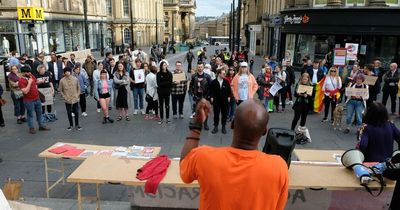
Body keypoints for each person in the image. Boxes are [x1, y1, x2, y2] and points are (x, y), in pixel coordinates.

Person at [180, 99, 288, 210]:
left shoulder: (203, 157)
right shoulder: (279, 167)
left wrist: (196, 126)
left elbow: (184, 172)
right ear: (264, 131)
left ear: (232, 124)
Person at [18, 66, 50, 134]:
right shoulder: (21, 81)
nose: (30, 73)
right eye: (28, 72)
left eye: (30, 72)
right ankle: (31, 128)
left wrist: (41, 81)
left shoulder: (31, 76)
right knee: (30, 114)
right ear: (23, 73)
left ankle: (41, 125)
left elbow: (35, 82)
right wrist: (29, 82)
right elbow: (25, 91)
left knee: (39, 113)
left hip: (37, 98)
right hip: (28, 100)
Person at [189, 62, 212, 130]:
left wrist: (208, 96)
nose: (200, 68)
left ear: (203, 67)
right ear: (197, 67)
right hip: (197, 96)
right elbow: (191, 86)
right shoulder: (194, 76)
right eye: (198, 67)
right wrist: (193, 93)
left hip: (205, 96)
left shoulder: (207, 76)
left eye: (201, 67)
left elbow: (210, 87)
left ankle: (205, 124)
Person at [210, 68, 231, 134]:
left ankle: (223, 127)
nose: (225, 74)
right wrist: (211, 97)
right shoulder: (213, 82)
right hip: (216, 101)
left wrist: (229, 97)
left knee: (224, 114)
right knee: (216, 114)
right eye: (223, 73)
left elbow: (229, 91)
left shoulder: (226, 82)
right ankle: (215, 126)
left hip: (224, 101)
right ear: (219, 74)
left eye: (225, 73)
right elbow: (211, 91)